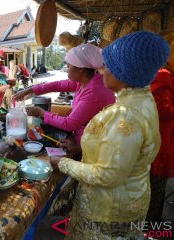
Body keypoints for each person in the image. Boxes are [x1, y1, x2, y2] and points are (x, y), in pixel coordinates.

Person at [50, 31, 170, 239]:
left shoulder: (126, 116)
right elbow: (121, 154)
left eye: (107, 65)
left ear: (124, 72)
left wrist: (63, 164)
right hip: (126, 200)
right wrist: (81, 149)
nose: (101, 69)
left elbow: (106, 175)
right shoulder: (142, 98)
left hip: (108, 210)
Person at [13, 44, 115, 145]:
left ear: (80, 69)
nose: (66, 68)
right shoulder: (84, 81)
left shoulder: (94, 91)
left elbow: (70, 123)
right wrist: (29, 90)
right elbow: (56, 85)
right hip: (83, 137)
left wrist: (42, 113)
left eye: (69, 65)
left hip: (92, 145)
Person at [146, 32, 174, 225]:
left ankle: (154, 221)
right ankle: (150, 226)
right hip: (160, 143)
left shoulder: (164, 73)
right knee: (155, 187)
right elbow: (161, 110)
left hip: (163, 141)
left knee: (158, 185)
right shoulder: (162, 75)